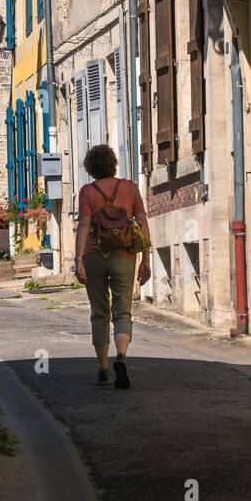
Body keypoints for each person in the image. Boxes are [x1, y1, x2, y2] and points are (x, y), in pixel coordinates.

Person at [75, 144, 152, 388]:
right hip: (124, 255)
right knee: (123, 311)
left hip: (94, 256)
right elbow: (141, 223)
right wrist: (146, 257)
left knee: (99, 313)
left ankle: (103, 369)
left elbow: (84, 226)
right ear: (113, 163)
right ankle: (121, 356)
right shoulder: (129, 188)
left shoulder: (87, 191)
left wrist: (78, 260)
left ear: (90, 167)